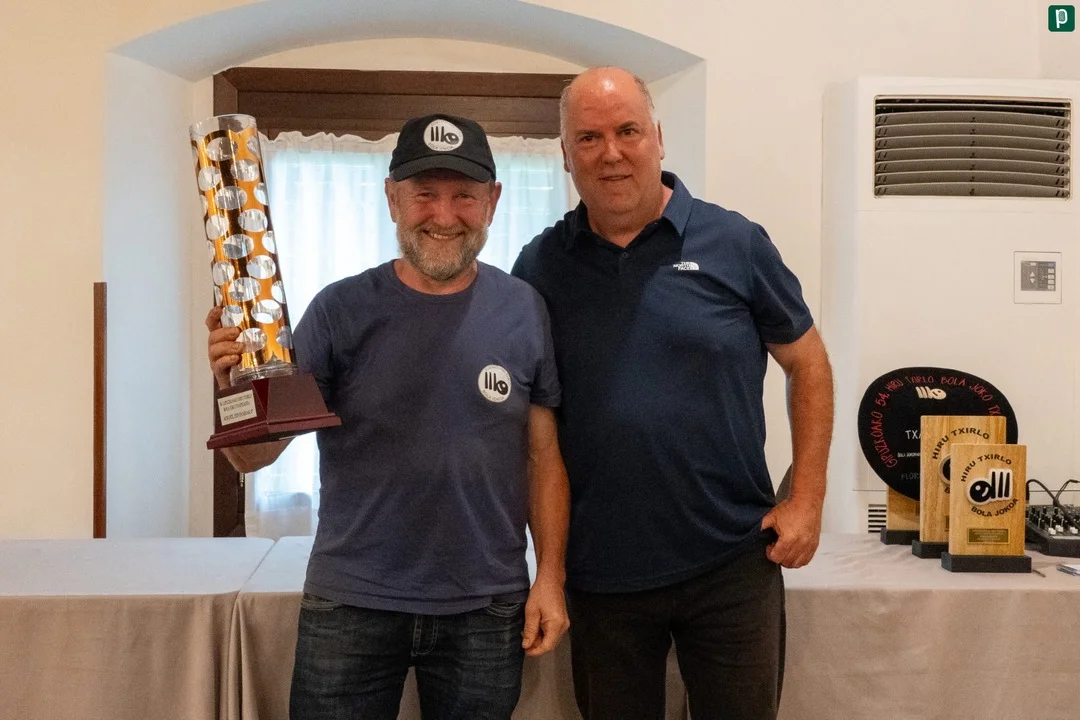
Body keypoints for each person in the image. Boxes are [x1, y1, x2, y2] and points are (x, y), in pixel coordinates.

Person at [206, 113, 570, 720]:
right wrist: (230, 386)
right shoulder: (338, 311)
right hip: (352, 602)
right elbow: (252, 456)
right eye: (424, 194)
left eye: (464, 196)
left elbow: (543, 457)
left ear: (493, 201)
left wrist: (550, 577)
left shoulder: (523, 310)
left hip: (485, 607)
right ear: (392, 198)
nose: (444, 215)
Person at [512, 67, 834, 720]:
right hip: (602, 572)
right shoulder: (540, 266)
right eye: (589, 138)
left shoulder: (735, 243)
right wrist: (549, 569)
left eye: (628, 131)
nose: (611, 152)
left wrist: (806, 499)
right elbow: (535, 430)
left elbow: (809, 365)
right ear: (566, 155)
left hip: (732, 562)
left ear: (658, 137)